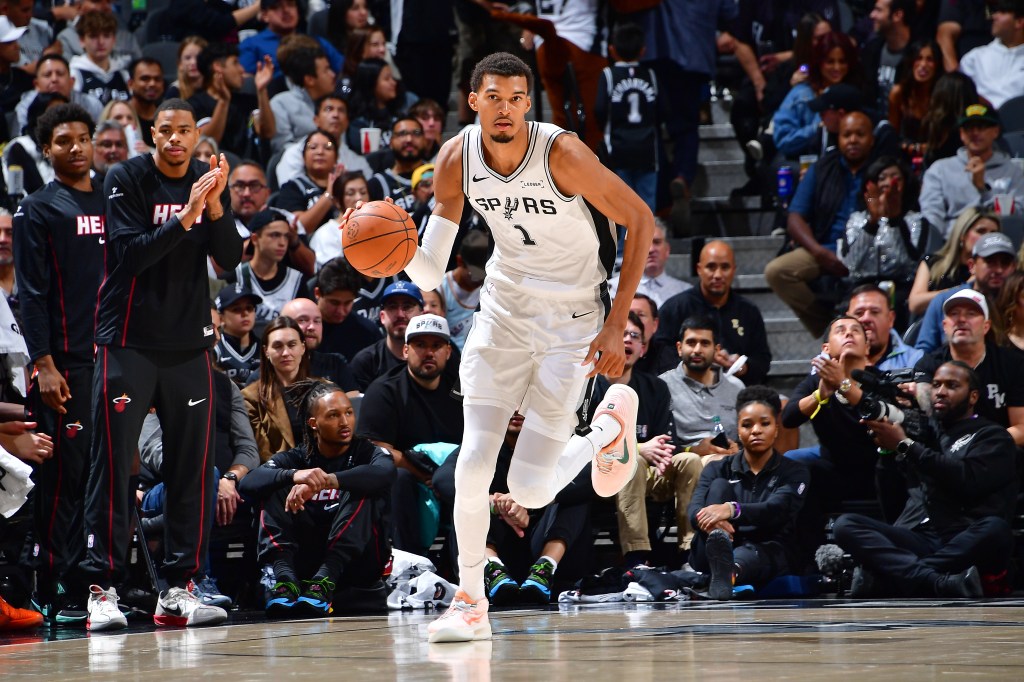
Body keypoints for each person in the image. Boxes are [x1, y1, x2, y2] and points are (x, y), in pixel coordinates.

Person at [357, 52, 652, 643]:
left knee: (531, 490)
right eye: (494, 97)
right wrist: (374, 241)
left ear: (527, 105)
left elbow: (640, 219)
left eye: (518, 98)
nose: (507, 109)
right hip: (504, 312)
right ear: (474, 102)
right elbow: (428, 271)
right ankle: (470, 601)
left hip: (573, 318)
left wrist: (617, 323)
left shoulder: (561, 153)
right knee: (472, 467)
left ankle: (603, 435)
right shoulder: (456, 158)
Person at [79, 97, 243, 631]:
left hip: (189, 345)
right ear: (151, 134)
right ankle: (101, 589)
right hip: (127, 341)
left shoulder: (206, 178)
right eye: (165, 131)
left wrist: (214, 208)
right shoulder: (126, 177)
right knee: (115, 465)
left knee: (191, 469)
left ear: (197, 135)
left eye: (185, 131)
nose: (175, 140)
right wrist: (188, 215)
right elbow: (129, 256)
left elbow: (231, 259)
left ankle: (177, 588)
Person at [13, 102, 106, 625]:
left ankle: (102, 582)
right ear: (46, 149)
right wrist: (43, 362)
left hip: (115, 361)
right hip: (66, 365)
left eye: (83, 137)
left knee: (105, 478)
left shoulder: (117, 201)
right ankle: (56, 586)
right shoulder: (38, 209)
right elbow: (31, 294)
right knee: (65, 482)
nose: (75, 146)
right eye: (63, 140)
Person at [834, 361, 1017, 598]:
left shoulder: (992, 435)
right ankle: (935, 581)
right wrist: (887, 451)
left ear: (973, 396)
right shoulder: (922, 432)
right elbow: (891, 503)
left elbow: (967, 480)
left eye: (952, 385)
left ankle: (891, 577)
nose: (940, 391)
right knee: (845, 525)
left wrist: (905, 446)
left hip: (963, 537)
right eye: (936, 384)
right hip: (920, 537)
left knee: (996, 529)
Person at [239, 379, 395, 617]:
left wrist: (326, 480)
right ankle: (285, 579)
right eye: (333, 415)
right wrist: (295, 476)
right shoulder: (299, 457)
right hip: (305, 557)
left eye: (349, 413)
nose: (345, 422)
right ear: (313, 423)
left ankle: (325, 580)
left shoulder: (367, 452)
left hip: (354, 564)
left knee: (366, 487)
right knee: (272, 485)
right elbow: (249, 482)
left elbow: (386, 473)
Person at [433, 412, 595, 606]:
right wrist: (493, 503)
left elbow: (591, 475)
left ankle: (545, 568)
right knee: (467, 497)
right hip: (495, 548)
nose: (517, 410)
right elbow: (442, 479)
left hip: (542, 546)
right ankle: (492, 568)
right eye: (513, 402)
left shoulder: (553, 443)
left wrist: (529, 498)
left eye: (525, 402)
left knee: (576, 497)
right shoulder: (483, 444)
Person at [689, 386, 810, 600]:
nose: (756, 430)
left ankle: (727, 574)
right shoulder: (717, 468)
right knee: (718, 486)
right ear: (737, 429)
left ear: (776, 429)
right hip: (717, 546)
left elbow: (777, 509)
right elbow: (693, 512)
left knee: (752, 553)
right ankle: (720, 557)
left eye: (764, 423)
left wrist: (731, 510)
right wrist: (715, 523)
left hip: (767, 550)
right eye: (747, 425)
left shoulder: (794, 471)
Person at [358, 314, 464, 556]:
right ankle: (410, 563)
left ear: (448, 351)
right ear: (405, 350)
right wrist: (424, 473)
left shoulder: (463, 387)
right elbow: (375, 449)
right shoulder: (384, 390)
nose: (429, 352)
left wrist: (445, 476)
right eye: (420, 345)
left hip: (456, 474)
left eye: (436, 346)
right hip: (413, 478)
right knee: (399, 478)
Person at [765, 112, 874, 338]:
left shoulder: (882, 168)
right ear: (839, 138)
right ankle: (829, 327)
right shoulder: (822, 168)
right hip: (826, 249)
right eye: (847, 135)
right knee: (778, 271)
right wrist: (819, 252)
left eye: (859, 134)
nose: (852, 140)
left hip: (872, 249)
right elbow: (795, 216)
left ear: (871, 138)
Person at [639, 0, 737, 234]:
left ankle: (664, 194)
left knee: (652, 128)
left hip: (653, 49)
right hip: (693, 50)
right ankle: (682, 177)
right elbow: (731, 11)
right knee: (686, 126)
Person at [602, 312, 679, 569]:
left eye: (634, 336)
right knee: (632, 463)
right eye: (621, 333)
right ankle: (637, 561)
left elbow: (664, 440)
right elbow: (582, 444)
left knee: (690, 461)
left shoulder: (656, 388)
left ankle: (693, 556)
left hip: (650, 472)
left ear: (643, 349)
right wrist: (637, 448)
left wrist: (661, 454)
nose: (627, 340)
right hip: (600, 475)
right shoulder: (586, 388)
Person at [914, 288, 1024, 446]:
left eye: (971, 314)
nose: (961, 319)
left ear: (986, 326)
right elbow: (928, 420)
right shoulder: (928, 365)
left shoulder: (1013, 364)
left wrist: (980, 445)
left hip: (998, 454)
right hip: (943, 453)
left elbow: (1021, 427)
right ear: (945, 326)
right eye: (954, 314)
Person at [658, 240, 771, 386]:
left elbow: (762, 359)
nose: (718, 275)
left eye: (725, 267)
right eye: (711, 267)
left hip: (738, 391)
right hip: (685, 390)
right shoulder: (675, 308)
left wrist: (743, 367)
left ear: (734, 270)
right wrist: (699, 363)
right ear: (699, 269)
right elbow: (660, 357)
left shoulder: (748, 311)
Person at [838, 155, 926, 318]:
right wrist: (872, 222)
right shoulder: (856, 220)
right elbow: (850, 265)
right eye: (881, 178)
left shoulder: (916, 221)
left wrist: (895, 220)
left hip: (902, 290)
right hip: (860, 288)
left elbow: (912, 266)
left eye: (895, 178)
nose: (888, 183)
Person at [919, 105, 1024, 238]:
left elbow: (1018, 217)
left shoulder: (1013, 171)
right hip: (953, 243)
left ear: (995, 131)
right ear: (962, 134)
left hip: (998, 243)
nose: (975, 132)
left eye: (981, 126)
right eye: (969, 128)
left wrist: (984, 190)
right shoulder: (940, 170)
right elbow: (931, 215)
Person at [594, 22, 663, 215]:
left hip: (617, 148)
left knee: (620, 209)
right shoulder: (650, 75)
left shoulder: (609, 75)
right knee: (646, 209)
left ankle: (622, 247)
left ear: (612, 50)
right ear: (643, 51)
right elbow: (663, 110)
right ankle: (647, 245)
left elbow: (599, 109)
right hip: (647, 148)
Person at [914, 232, 1017, 353]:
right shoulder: (945, 300)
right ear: (972, 265)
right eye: (990, 262)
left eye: (1005, 263)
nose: (998, 270)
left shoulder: (1019, 304)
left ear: (1014, 267)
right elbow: (923, 351)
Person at [229, 209, 311, 337]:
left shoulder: (296, 280)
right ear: (255, 238)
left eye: (286, 236)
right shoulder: (235, 276)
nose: (282, 243)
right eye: (275, 235)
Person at [242, 316, 312, 463]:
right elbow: (264, 453)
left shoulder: (324, 390)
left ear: (303, 347)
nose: (286, 353)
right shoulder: (250, 398)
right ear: (266, 351)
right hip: (280, 476)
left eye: (292, 345)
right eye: (278, 346)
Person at [908, 206, 999, 317]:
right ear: (962, 235)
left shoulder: (997, 272)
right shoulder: (933, 263)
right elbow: (915, 303)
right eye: (981, 231)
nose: (987, 238)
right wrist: (964, 288)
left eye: (993, 233)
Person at [189, 42, 275, 158]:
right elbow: (207, 143)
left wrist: (262, 90)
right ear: (218, 66)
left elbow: (268, 132)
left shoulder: (248, 101)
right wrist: (223, 102)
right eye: (235, 63)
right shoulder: (194, 104)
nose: (241, 69)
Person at [274, 94, 372, 190]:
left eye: (341, 110)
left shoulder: (358, 163)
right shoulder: (293, 154)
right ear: (316, 120)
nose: (336, 115)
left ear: (347, 123)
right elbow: (290, 195)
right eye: (329, 109)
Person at [349, 280, 424, 392]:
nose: (400, 314)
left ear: (421, 315)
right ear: (382, 317)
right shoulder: (366, 362)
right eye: (392, 307)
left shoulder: (439, 349)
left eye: (407, 307)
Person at [238, 0, 344, 76]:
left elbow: (344, 70)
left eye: (291, 4)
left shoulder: (316, 42)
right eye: (277, 6)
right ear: (264, 15)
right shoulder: (251, 45)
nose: (286, 10)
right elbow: (245, 82)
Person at [13, 53, 103, 139]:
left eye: (60, 74)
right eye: (47, 75)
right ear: (36, 84)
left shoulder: (92, 104)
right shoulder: (24, 108)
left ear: (72, 81)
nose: (54, 79)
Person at [279, 297, 358, 394]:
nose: (312, 327)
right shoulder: (266, 373)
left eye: (317, 321)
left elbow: (353, 405)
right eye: (303, 320)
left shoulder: (336, 364)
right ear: (281, 326)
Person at [269, 42, 337, 153]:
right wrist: (313, 151)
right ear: (310, 79)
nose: (333, 75)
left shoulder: (334, 104)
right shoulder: (281, 103)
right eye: (326, 70)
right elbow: (281, 147)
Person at [608, 220, 690, 308]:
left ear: (667, 250)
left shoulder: (685, 292)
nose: (651, 249)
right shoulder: (613, 289)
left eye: (657, 242)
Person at [959, 0, 1024, 110]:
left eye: (1002, 12)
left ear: (1019, 22)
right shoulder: (974, 58)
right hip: (980, 121)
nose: (994, 16)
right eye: (995, 12)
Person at [314, 257, 381, 361]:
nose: (340, 311)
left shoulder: (368, 332)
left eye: (347, 303)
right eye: (334, 303)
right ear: (317, 293)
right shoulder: (302, 329)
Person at [847, 283, 923, 371]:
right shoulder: (830, 359)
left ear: (890, 319)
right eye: (859, 313)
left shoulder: (916, 361)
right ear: (847, 318)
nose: (866, 318)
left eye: (875, 312)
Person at [862, 0, 915, 120]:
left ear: (897, 15)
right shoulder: (871, 50)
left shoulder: (919, 54)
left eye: (879, 10)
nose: (872, 15)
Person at [887, 40, 940, 158]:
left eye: (929, 60)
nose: (923, 64)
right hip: (905, 155)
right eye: (918, 58)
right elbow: (892, 135)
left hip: (935, 155)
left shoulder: (943, 94)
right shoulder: (898, 93)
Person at [366, 117, 429, 214]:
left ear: (425, 140)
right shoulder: (377, 184)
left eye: (416, 133)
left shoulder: (437, 175)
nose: (409, 139)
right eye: (402, 134)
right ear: (391, 142)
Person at [438, 229, 486, 351]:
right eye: (476, 274)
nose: (480, 279)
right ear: (460, 261)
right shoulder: (439, 288)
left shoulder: (491, 285)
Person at [68, 10, 130, 105]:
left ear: (114, 40)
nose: (101, 42)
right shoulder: (74, 73)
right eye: (93, 36)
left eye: (106, 36)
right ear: (82, 40)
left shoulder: (123, 74)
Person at [213, 285, 262, 386]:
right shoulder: (215, 348)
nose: (245, 313)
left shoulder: (265, 348)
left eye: (249, 308)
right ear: (221, 318)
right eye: (236, 309)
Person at [127, 57, 165, 148]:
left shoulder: (168, 117)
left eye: (157, 79)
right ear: (130, 84)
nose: (152, 83)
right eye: (145, 79)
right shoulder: (122, 115)